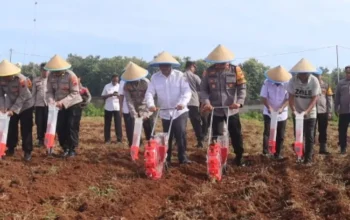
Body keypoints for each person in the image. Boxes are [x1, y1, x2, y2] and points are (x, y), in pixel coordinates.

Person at [200, 44, 247, 166]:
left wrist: (239, 102)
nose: (221, 66)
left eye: (223, 63)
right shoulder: (208, 72)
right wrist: (207, 103)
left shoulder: (236, 70)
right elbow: (204, 90)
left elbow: (242, 88)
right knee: (217, 136)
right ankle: (218, 158)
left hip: (232, 110)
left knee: (236, 134)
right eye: (218, 63)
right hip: (215, 110)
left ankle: (239, 157)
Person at [145, 51, 192, 165]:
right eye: (162, 65)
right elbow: (149, 93)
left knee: (180, 133)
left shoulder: (180, 76)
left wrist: (182, 103)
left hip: (179, 111)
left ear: (171, 65)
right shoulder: (155, 78)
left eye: (166, 65)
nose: (164, 68)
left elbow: (187, 91)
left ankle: (183, 157)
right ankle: (167, 158)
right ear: (159, 66)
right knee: (167, 136)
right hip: (165, 111)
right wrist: (150, 105)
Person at [45, 54, 83, 157]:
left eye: (58, 71)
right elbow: (49, 91)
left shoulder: (71, 75)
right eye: (54, 71)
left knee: (71, 126)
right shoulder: (51, 76)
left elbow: (75, 93)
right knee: (60, 127)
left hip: (73, 104)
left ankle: (72, 149)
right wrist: (51, 101)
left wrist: (62, 102)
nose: (56, 73)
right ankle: (65, 147)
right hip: (58, 106)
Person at [287, 58, 321, 164]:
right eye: (300, 73)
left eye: (304, 73)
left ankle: (308, 159)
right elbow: (291, 96)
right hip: (297, 112)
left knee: (309, 135)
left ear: (308, 73)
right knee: (298, 135)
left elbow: (315, 98)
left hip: (310, 113)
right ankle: (299, 156)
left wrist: (307, 111)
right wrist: (293, 110)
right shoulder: (293, 81)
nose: (302, 75)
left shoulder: (314, 81)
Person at [0, 60, 34, 161]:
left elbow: (22, 96)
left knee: (26, 128)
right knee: (11, 127)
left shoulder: (21, 79)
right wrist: (3, 107)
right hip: (11, 104)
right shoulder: (1, 79)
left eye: (8, 76)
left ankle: (27, 151)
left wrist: (13, 110)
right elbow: (1, 95)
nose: (6, 78)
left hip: (26, 106)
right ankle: (11, 148)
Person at [260, 66, 291, 159]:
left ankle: (278, 153)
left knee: (280, 133)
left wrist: (282, 108)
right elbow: (263, 97)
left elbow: (289, 99)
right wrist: (269, 107)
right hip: (269, 112)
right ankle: (266, 152)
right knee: (267, 132)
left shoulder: (287, 84)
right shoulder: (267, 82)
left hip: (282, 113)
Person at [122, 62, 153, 146]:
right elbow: (129, 100)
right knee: (136, 126)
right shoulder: (126, 85)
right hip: (135, 107)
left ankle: (151, 143)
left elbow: (149, 96)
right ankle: (138, 144)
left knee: (148, 126)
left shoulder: (145, 82)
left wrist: (146, 112)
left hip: (145, 106)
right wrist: (134, 113)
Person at [183, 61, 204, 148]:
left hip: (182, 102)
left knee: (181, 123)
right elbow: (202, 87)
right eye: (194, 67)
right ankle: (200, 141)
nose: (195, 69)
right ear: (191, 66)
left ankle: (178, 141)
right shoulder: (195, 76)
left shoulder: (180, 76)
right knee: (196, 123)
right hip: (193, 102)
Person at [313, 72, 333, 155]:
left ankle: (323, 149)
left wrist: (330, 112)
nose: (317, 77)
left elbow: (329, 99)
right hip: (312, 110)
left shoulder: (326, 85)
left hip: (323, 110)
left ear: (321, 75)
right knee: (311, 130)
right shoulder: (311, 84)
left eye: (318, 75)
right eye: (315, 75)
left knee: (323, 130)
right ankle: (311, 149)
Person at [101, 75, 122, 144]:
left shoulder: (120, 86)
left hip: (117, 107)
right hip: (108, 107)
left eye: (117, 80)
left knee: (118, 124)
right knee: (107, 124)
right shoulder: (107, 86)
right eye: (114, 80)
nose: (115, 82)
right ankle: (107, 140)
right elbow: (102, 96)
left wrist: (119, 96)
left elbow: (123, 97)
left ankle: (119, 140)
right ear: (112, 79)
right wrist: (110, 95)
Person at [32, 62, 49, 147]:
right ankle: (40, 139)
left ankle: (48, 139)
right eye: (43, 70)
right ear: (41, 71)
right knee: (39, 122)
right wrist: (32, 105)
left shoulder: (51, 80)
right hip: (39, 105)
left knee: (47, 122)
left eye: (46, 70)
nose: (45, 72)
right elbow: (33, 94)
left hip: (48, 105)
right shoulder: (36, 80)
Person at [335, 65, 350, 154]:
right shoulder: (341, 83)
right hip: (344, 111)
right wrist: (336, 108)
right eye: (347, 73)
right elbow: (337, 96)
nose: (349, 74)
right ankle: (343, 148)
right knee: (342, 130)